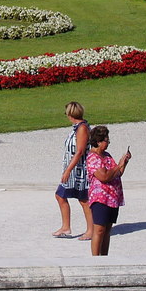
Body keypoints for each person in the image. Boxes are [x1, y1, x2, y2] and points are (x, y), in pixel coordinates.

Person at [84, 125, 131, 256]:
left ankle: (105, 258)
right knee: (99, 230)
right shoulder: (93, 158)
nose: (108, 143)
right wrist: (119, 166)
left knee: (107, 230)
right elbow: (104, 177)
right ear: (98, 141)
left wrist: (124, 162)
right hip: (100, 198)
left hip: (113, 198)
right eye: (106, 140)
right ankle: (96, 259)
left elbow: (118, 173)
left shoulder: (107, 155)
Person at [53, 101, 93, 239]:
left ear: (71, 114)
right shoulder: (77, 127)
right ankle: (66, 227)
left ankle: (91, 230)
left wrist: (68, 170)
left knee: (83, 199)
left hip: (79, 170)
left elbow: (80, 151)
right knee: (60, 195)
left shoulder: (82, 128)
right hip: (73, 169)